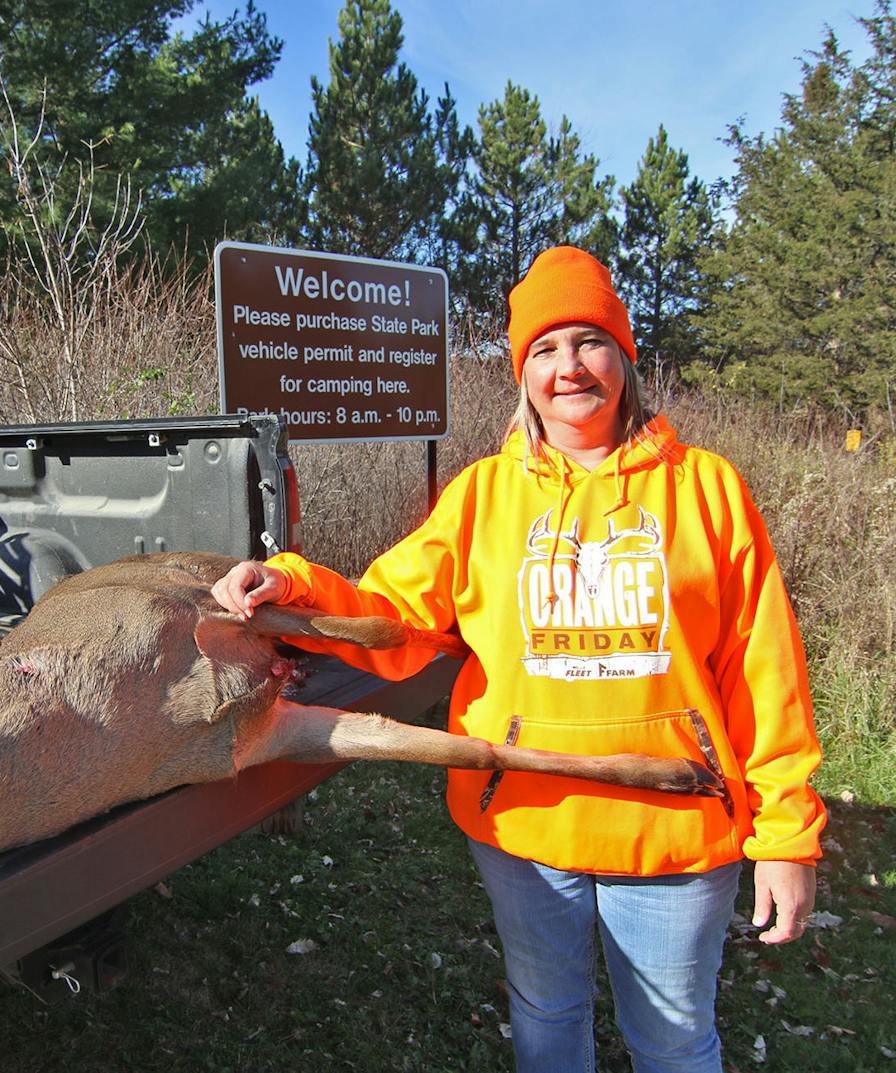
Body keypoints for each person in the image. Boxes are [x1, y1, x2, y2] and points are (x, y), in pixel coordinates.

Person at [212, 246, 826, 1073]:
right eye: (544, 349)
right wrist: (285, 581)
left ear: (625, 356)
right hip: (524, 822)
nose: (569, 367)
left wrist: (786, 834)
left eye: (589, 340)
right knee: (545, 1011)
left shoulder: (710, 490)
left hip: (676, 824)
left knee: (675, 1038)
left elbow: (767, 669)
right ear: (521, 373)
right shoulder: (482, 496)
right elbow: (392, 614)